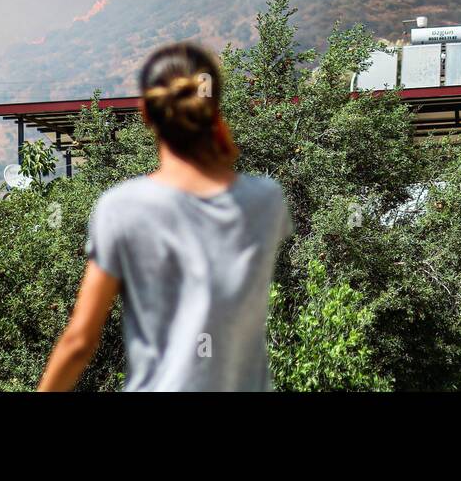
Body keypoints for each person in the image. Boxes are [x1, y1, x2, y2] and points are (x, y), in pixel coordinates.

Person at [38, 41, 292, 391]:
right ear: (215, 107)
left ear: (145, 113)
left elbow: (80, 341)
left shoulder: (122, 208)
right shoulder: (267, 200)